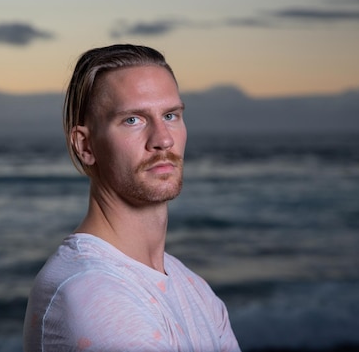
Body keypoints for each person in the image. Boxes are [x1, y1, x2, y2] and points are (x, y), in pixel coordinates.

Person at [23, 44, 241, 352]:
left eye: (170, 115)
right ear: (85, 146)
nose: (163, 139)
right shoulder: (91, 293)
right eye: (132, 120)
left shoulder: (193, 288)